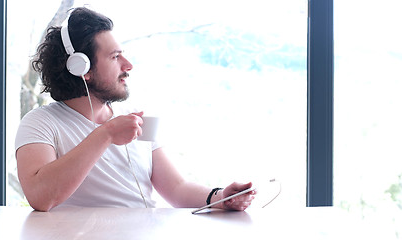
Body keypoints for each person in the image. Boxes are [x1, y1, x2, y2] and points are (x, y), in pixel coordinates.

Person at [15, 7, 256, 212]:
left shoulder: (137, 119)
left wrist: (222, 196)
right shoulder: (40, 122)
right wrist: (106, 134)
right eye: (115, 57)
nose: (128, 65)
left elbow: (176, 189)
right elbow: (40, 197)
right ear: (82, 68)